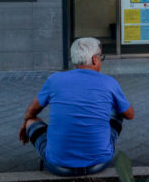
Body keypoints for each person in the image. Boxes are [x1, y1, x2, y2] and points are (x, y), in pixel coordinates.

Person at [18, 37, 134, 176]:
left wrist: (25, 122)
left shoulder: (54, 80)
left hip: (57, 166)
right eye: (100, 57)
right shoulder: (109, 82)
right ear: (94, 59)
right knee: (118, 110)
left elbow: (31, 111)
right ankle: (99, 145)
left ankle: (53, 152)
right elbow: (130, 114)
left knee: (31, 121)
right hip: (98, 163)